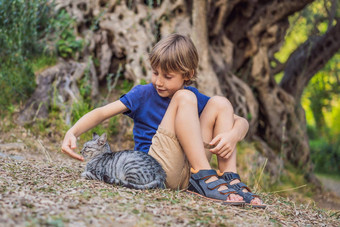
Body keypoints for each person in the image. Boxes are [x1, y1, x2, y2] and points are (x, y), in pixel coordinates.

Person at [61, 33, 265, 207]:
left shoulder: (191, 96)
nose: (158, 81)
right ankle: (206, 176)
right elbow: (102, 112)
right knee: (185, 98)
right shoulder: (144, 94)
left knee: (221, 103)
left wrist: (233, 135)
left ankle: (229, 179)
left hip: (189, 172)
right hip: (156, 170)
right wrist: (73, 132)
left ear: (188, 74)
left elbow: (240, 121)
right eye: (155, 72)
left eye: (167, 76)